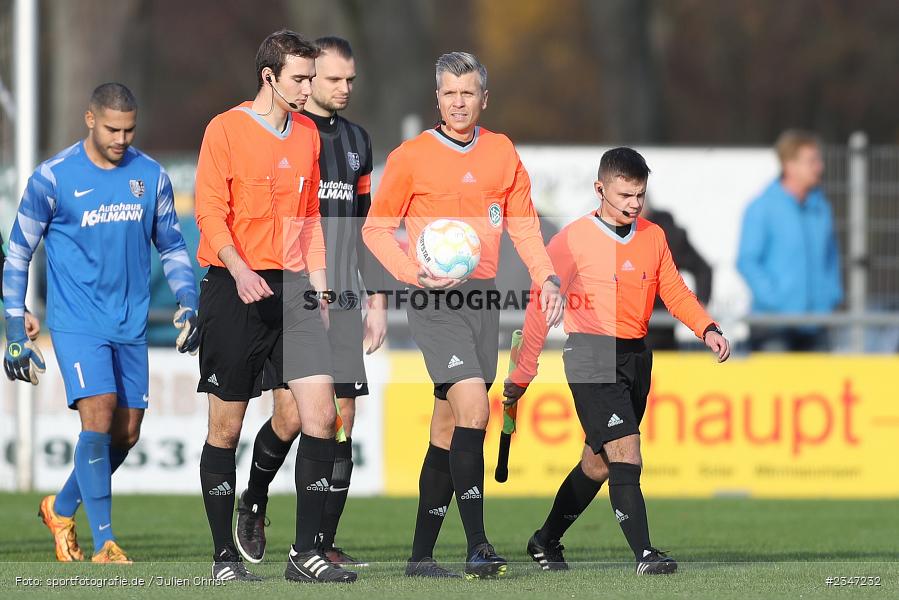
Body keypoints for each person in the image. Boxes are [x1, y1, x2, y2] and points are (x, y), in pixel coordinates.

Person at [363, 51, 563, 579]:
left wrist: (546, 276)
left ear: (483, 98)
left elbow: (523, 226)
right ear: (437, 98)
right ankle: (478, 545)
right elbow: (374, 230)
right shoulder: (411, 157)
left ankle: (420, 558)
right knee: (475, 406)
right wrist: (412, 274)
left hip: (482, 299)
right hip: (433, 300)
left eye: (467, 93)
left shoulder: (501, 152)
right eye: (449, 93)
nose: (458, 102)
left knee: (448, 426)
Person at [504, 147, 730, 575]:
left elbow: (676, 291)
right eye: (624, 195)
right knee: (627, 452)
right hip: (590, 353)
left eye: (639, 195)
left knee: (599, 463)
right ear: (600, 190)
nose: (633, 204)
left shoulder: (653, 236)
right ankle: (645, 554)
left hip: (635, 355)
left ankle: (545, 539)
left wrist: (707, 328)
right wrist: (523, 371)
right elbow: (539, 306)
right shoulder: (571, 239)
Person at [2, 83, 200, 564]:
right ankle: (104, 542)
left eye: (130, 129)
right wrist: (13, 327)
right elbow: (17, 254)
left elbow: (172, 246)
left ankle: (61, 507)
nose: (122, 138)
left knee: (127, 432)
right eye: (113, 128)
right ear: (90, 119)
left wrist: (188, 299)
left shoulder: (150, 176)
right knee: (100, 411)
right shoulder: (52, 179)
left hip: (129, 323)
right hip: (76, 321)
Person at [193, 29, 355, 584]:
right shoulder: (226, 129)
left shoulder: (308, 134)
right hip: (233, 288)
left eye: (313, 77)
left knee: (320, 417)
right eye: (301, 78)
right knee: (226, 429)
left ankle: (304, 553)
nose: (310, 88)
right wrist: (238, 270)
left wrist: (320, 288)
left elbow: (309, 219)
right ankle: (223, 558)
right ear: (270, 77)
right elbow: (209, 214)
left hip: (294, 291)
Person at [235, 35, 388, 569]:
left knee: (341, 414)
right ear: (306, 76)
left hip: (343, 295)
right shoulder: (290, 134)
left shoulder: (358, 141)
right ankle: (253, 498)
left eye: (351, 80)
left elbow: (367, 226)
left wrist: (377, 298)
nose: (343, 89)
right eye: (332, 79)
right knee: (292, 416)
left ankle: (320, 543)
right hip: (296, 294)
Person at [737, 129, 842, 351]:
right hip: (774, 327)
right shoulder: (762, 207)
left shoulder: (821, 208)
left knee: (820, 385)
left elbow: (831, 258)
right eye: (811, 161)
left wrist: (831, 295)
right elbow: (747, 261)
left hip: (816, 324)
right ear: (789, 165)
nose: (819, 167)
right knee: (776, 385)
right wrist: (777, 300)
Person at [642, 204, 712, 350]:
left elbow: (702, 270)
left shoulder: (668, 235)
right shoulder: (607, 235)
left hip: (660, 331)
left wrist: (699, 312)